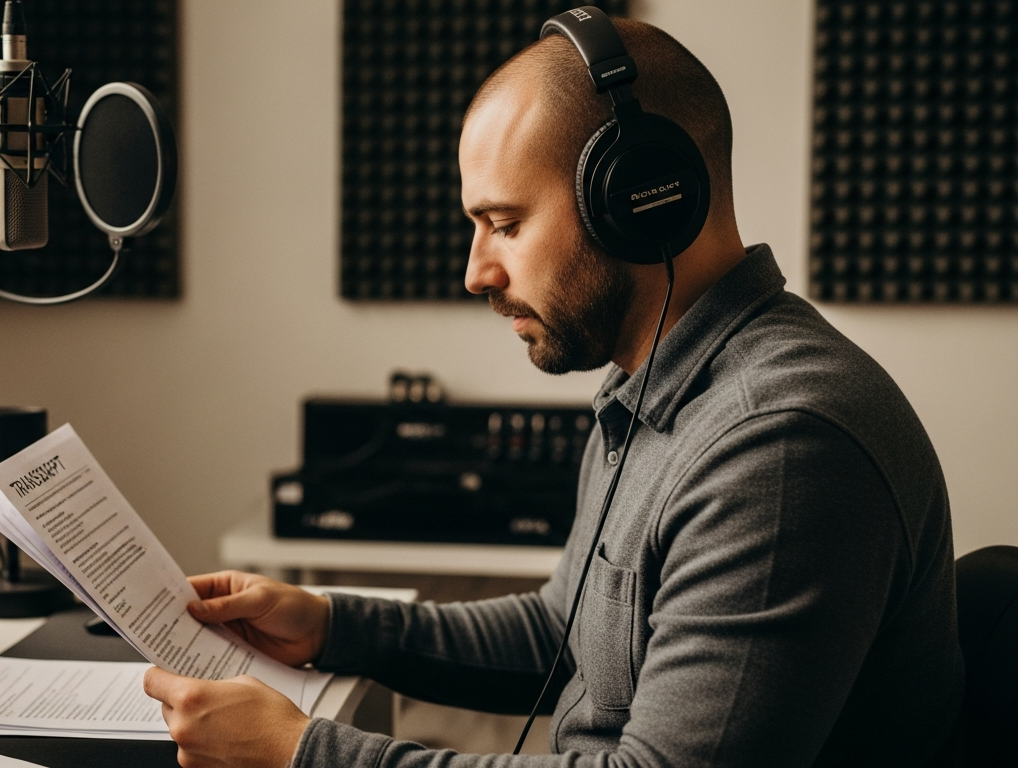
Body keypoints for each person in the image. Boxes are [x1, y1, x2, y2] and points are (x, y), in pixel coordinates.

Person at [143, 15, 964, 768]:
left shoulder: (780, 447)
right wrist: (329, 622)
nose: (476, 272)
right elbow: (564, 631)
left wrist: (306, 756)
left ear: (638, 199)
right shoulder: (649, 388)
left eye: (504, 224)